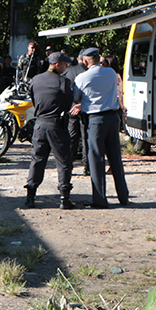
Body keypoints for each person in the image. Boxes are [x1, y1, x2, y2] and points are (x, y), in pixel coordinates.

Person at [72, 48, 129, 208]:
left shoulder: (81, 77)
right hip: (112, 118)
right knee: (115, 158)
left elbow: (76, 98)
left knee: (96, 159)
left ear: (85, 62)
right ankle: (123, 197)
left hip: (95, 121)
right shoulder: (111, 73)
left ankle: (100, 199)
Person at [23, 52, 77, 209]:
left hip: (39, 124)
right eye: (65, 64)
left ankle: (30, 196)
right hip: (56, 126)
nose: (66, 67)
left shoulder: (35, 79)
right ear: (58, 64)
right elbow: (68, 103)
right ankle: (64, 198)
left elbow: (33, 99)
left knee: (37, 160)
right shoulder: (63, 82)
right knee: (64, 161)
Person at [63, 51, 89, 174]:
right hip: (86, 107)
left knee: (72, 137)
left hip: (72, 107)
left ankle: (69, 164)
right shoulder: (89, 72)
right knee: (86, 137)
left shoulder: (69, 71)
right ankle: (87, 166)